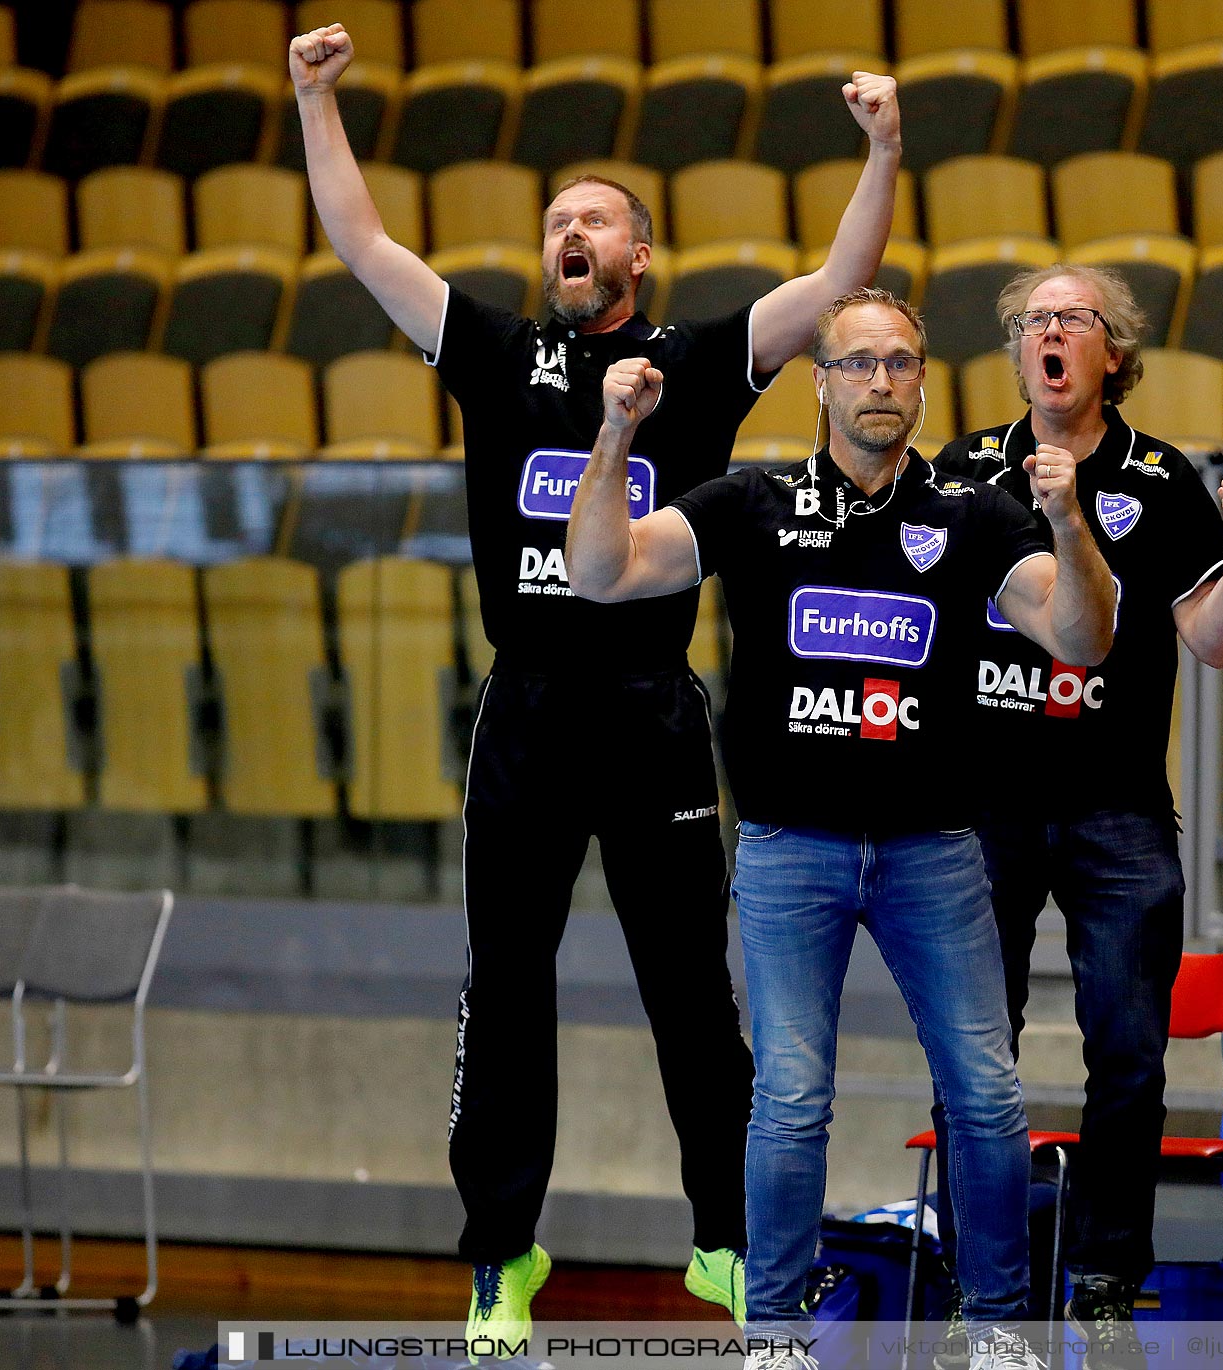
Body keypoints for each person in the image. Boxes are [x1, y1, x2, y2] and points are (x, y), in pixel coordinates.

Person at [289, 21, 906, 1347]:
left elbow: (844, 278)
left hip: (649, 710)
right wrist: (313, 103)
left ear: (637, 256)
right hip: (525, 711)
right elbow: (364, 244)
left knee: (692, 986)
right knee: (504, 981)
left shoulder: (695, 362)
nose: (570, 230)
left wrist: (883, 147)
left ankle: (727, 1242)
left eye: (597, 220)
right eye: (556, 218)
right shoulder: (498, 354)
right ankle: (501, 1252)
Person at [565, 288, 1117, 1370]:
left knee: (987, 1088)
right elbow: (598, 571)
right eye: (859, 362)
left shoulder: (973, 513)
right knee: (791, 1095)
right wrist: (614, 433)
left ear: (922, 383)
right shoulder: (752, 500)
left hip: (934, 850)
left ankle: (997, 1322)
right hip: (789, 850)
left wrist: (1068, 521)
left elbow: (1084, 639)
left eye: (901, 363)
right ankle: (774, 1333)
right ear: (819, 382)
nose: (880, 381)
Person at [931, 263, 1223, 1364]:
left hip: (1118, 807)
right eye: (1034, 320)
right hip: (983, 805)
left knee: (1128, 1054)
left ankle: (1105, 1281)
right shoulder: (966, 468)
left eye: (1071, 319)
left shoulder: (1163, 478)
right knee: (976, 1049)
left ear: (1113, 353)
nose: (1050, 334)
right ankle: (980, 1286)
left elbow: (1212, 639)